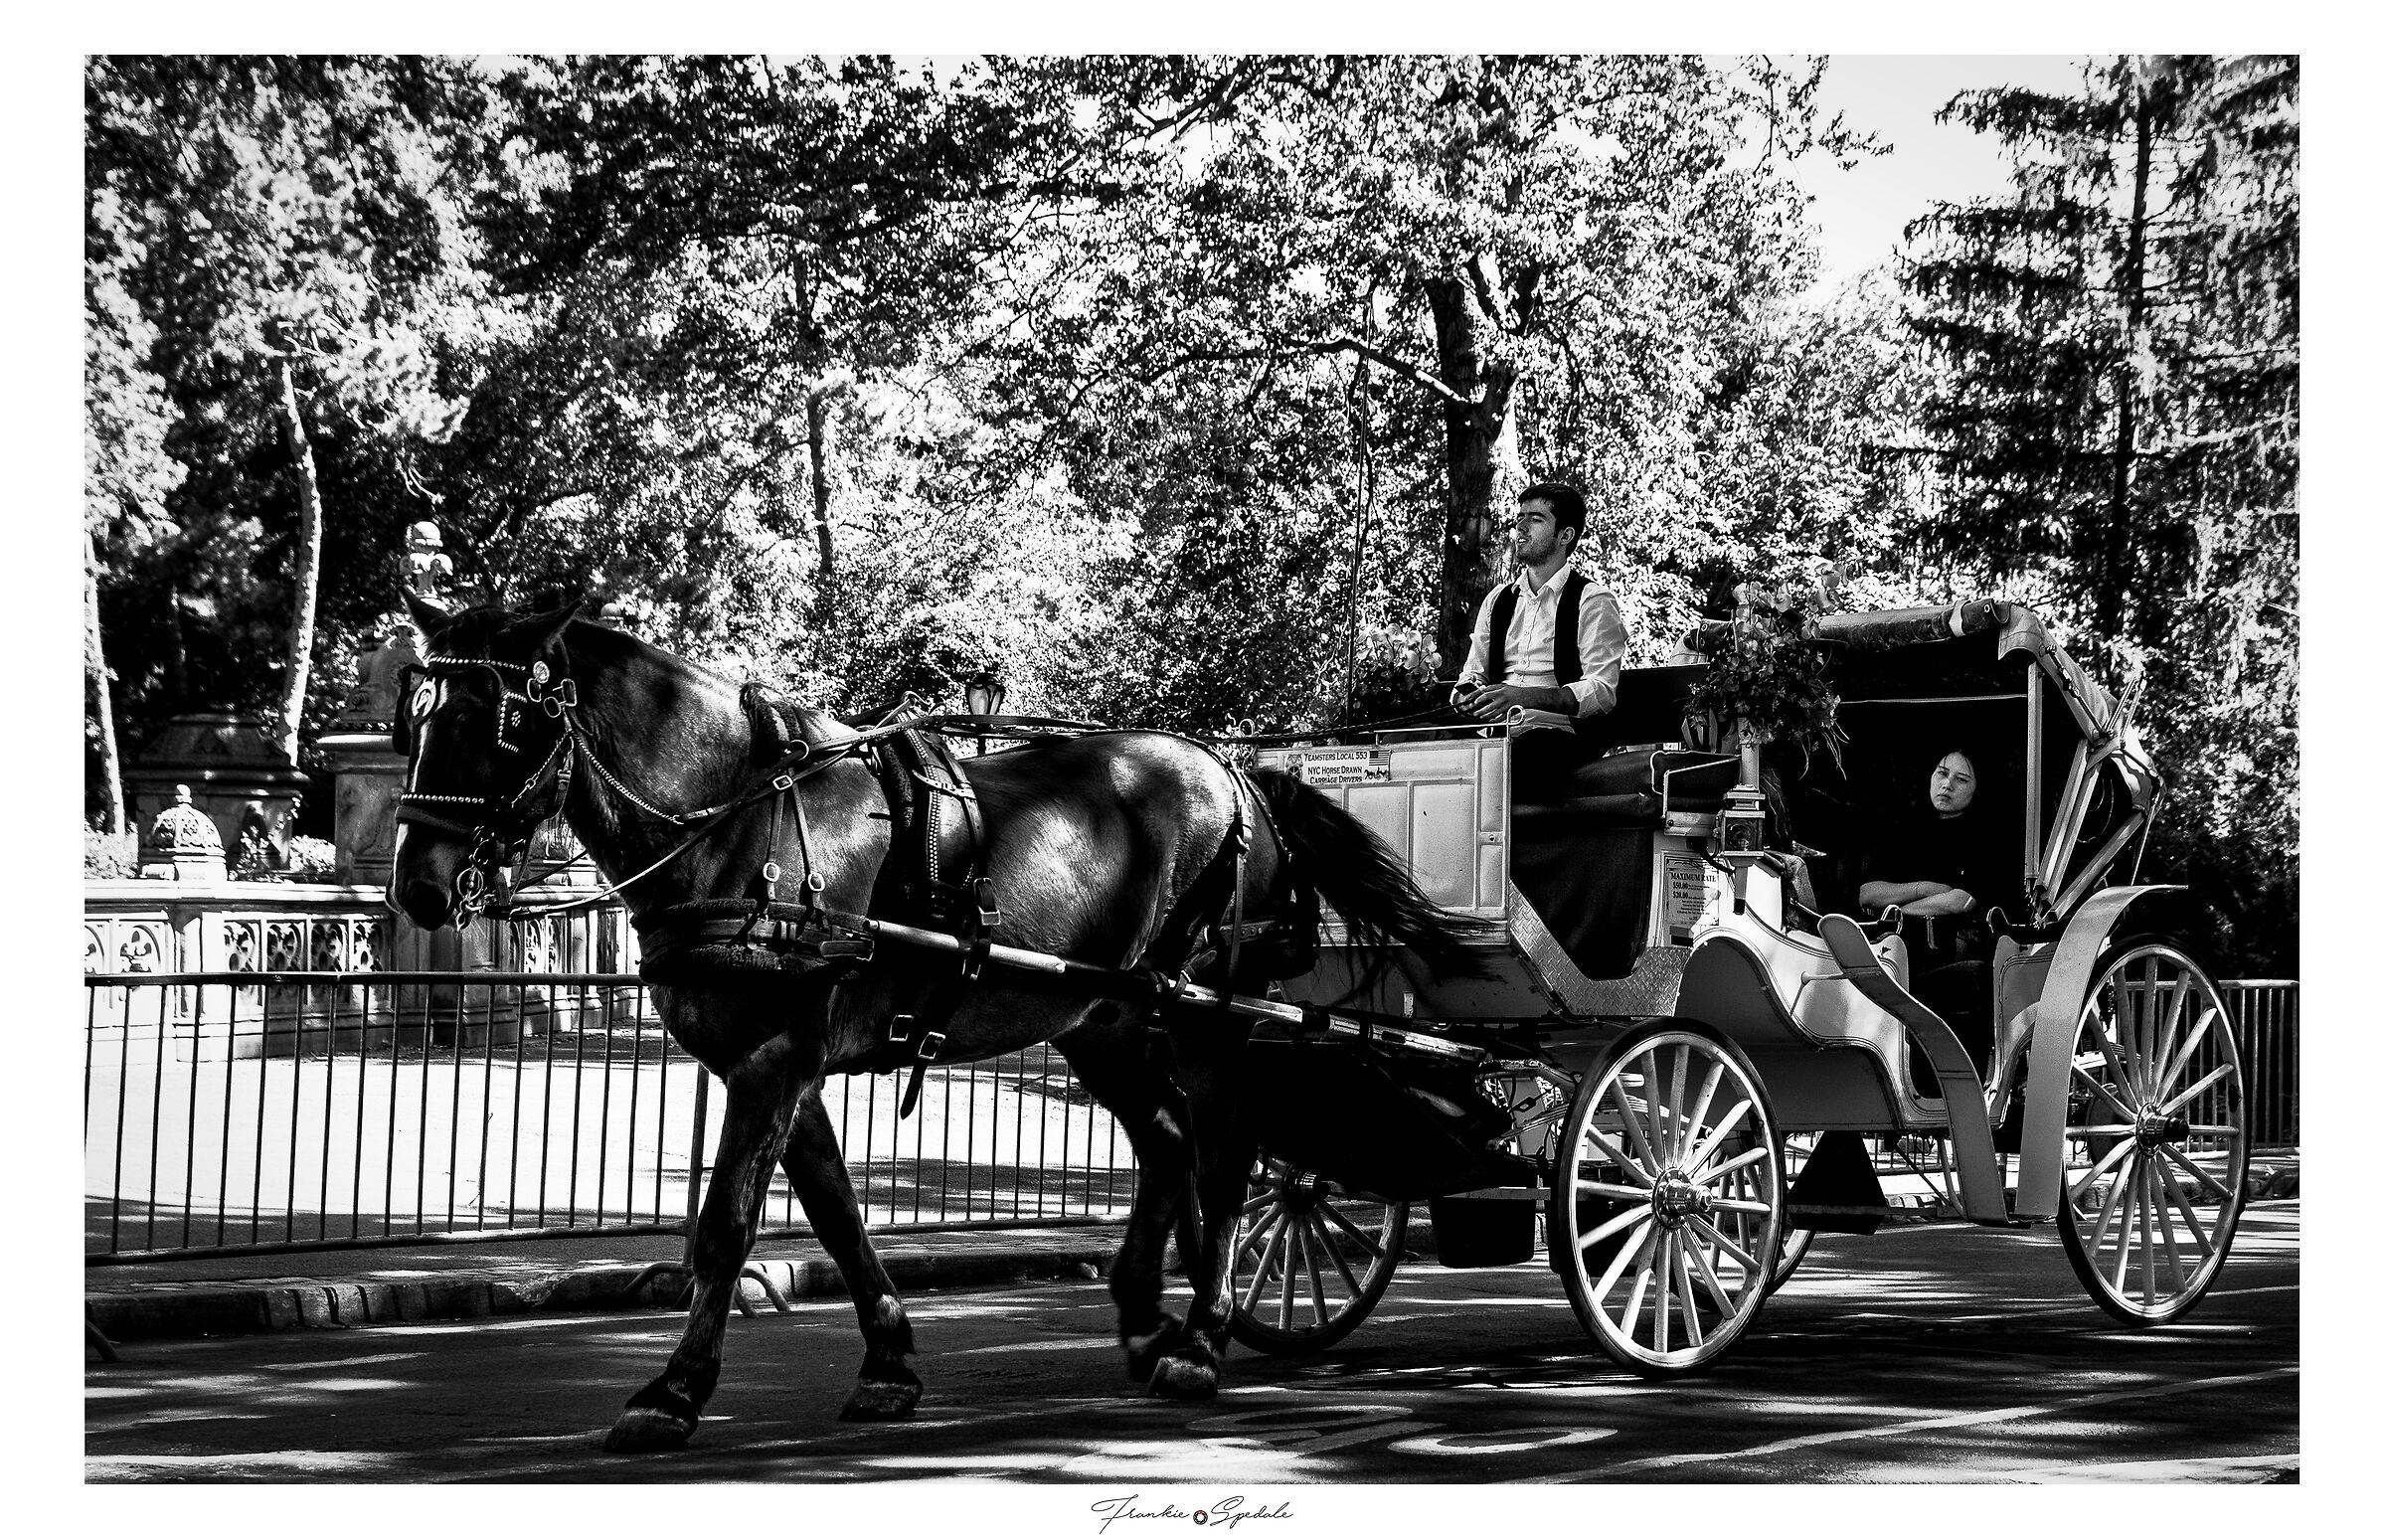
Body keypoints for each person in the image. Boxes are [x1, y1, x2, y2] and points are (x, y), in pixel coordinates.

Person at [1449, 483, 1631, 800]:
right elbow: (1472, 676)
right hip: (1496, 738)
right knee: (1419, 748)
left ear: (1565, 535)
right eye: (1519, 517)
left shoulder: (1592, 601)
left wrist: (1528, 697)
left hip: (1559, 739)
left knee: (1524, 753)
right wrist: (1465, 696)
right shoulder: (1497, 601)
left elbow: (1601, 692)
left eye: (1535, 519)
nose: (1520, 526)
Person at [1858, 750, 2010, 1072]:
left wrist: (1896, 908)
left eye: (1961, 779)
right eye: (1942, 773)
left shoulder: (1986, 838)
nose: (1947, 784)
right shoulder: (1903, 831)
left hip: (1948, 948)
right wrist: (1923, 889)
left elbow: (1959, 901)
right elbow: (1868, 894)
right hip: (1890, 949)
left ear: (1976, 788)